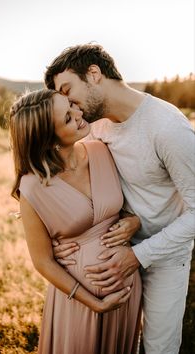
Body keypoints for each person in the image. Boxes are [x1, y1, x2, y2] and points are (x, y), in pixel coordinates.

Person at [44, 44, 195, 354]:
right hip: (110, 253)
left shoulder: (167, 128)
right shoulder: (94, 125)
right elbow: (77, 177)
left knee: (158, 348)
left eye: (67, 89)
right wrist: (60, 234)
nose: (69, 104)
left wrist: (139, 256)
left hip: (163, 257)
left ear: (95, 74)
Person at [9, 89, 142, 354]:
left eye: (71, 106)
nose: (80, 114)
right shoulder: (33, 188)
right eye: (68, 118)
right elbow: (43, 261)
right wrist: (95, 303)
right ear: (49, 139)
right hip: (79, 303)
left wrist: (134, 221)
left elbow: (129, 205)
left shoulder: (101, 151)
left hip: (127, 288)